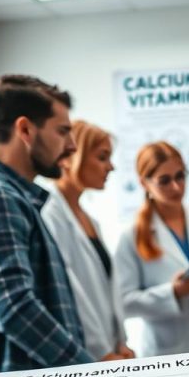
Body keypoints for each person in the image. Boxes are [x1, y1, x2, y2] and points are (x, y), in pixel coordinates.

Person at [0, 75, 127, 376]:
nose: (71, 145)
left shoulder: (15, 199)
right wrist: (90, 373)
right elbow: (14, 308)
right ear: (25, 130)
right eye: (62, 132)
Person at [114, 141, 189, 356]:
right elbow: (124, 302)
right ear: (144, 183)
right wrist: (173, 293)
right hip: (166, 351)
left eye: (180, 176)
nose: (176, 187)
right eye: (164, 181)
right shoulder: (132, 237)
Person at [41, 120, 135, 361]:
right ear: (70, 157)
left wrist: (120, 342)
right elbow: (71, 291)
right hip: (84, 352)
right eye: (102, 157)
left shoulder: (91, 221)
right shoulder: (50, 215)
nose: (111, 167)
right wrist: (100, 351)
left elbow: (107, 291)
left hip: (110, 350)